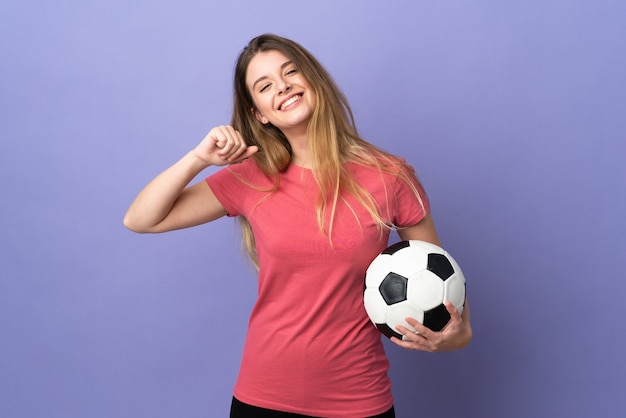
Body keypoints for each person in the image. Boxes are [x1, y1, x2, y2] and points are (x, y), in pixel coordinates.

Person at [124, 33, 472, 418]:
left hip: (359, 400)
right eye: (264, 85)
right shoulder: (251, 177)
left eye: (291, 72)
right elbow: (140, 219)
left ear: (313, 80)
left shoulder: (390, 176)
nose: (283, 86)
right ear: (259, 113)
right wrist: (197, 158)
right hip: (263, 398)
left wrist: (456, 337)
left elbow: (447, 301)